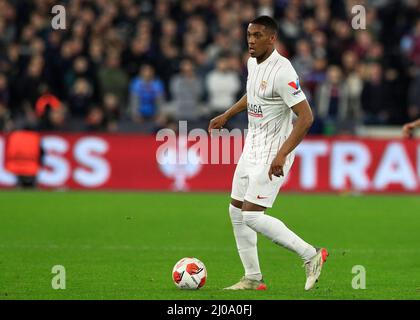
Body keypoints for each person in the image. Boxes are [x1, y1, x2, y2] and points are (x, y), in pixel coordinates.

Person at [208, 16, 328, 291]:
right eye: (249, 35)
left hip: (274, 150)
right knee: (236, 211)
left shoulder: (283, 71)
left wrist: (283, 154)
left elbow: (306, 117)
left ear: (272, 38)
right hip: (252, 145)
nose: (251, 40)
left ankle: (311, 255)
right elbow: (255, 95)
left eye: (258, 35)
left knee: (251, 216)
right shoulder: (252, 62)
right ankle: (252, 278)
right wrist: (227, 114)